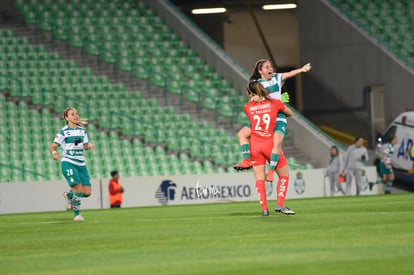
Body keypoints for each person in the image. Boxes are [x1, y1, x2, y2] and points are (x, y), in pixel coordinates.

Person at [234, 59, 312, 183]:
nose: (270, 68)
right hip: (262, 116)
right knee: (242, 134)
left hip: (277, 116)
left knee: (277, 143)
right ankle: (246, 160)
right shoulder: (255, 84)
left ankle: (270, 172)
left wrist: (302, 70)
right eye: (267, 67)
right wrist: (274, 99)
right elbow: (253, 100)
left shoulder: (277, 78)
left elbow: (290, 73)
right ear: (260, 71)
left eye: (270, 66)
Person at [244, 80, 295, 216]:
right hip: (270, 144)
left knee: (259, 179)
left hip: (255, 146)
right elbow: (290, 113)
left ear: (251, 94)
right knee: (284, 175)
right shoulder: (275, 103)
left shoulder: (248, 107)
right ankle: (280, 204)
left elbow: (253, 106)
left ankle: (264, 210)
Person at [49, 107, 95, 221]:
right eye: (72, 114)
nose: (75, 116)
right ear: (66, 118)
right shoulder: (63, 131)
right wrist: (54, 153)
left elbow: (84, 146)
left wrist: (88, 146)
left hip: (81, 164)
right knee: (78, 189)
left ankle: (69, 196)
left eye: (76, 114)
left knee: (87, 192)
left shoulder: (82, 130)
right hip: (69, 163)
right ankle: (77, 215)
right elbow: (53, 146)